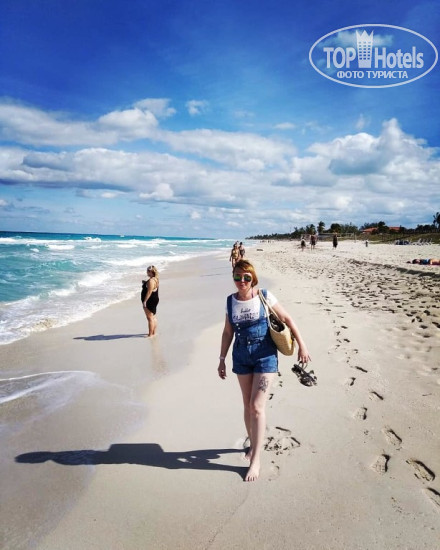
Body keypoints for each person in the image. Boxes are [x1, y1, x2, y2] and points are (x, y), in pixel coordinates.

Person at [217, 259, 311, 482]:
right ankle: (252, 444)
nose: (241, 281)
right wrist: (221, 359)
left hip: (265, 356)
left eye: (246, 277)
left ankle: (256, 459)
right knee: (247, 405)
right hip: (241, 357)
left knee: (257, 406)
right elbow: (228, 332)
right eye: (237, 277)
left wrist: (302, 345)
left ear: (253, 278)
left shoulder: (264, 296)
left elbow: (287, 318)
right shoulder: (230, 301)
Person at [141, 265, 159, 337]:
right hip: (154, 299)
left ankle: (150, 335)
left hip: (150, 300)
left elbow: (149, 292)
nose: (146, 272)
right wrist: (145, 283)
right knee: (153, 316)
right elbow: (152, 287)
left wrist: (144, 301)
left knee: (149, 318)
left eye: (147, 271)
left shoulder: (151, 281)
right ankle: (154, 332)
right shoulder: (155, 279)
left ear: (150, 272)